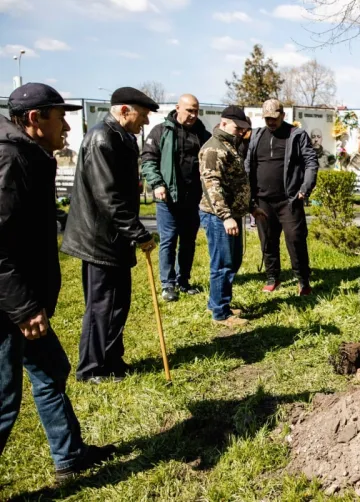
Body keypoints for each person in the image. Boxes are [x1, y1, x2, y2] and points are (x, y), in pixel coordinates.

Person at [0, 83, 117, 483]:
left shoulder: (30, 155)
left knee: (51, 369)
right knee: (3, 400)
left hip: (25, 300)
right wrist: (22, 307)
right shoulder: (10, 159)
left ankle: (69, 456)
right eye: (58, 115)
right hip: (9, 306)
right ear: (35, 119)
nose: (66, 124)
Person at [61, 87, 157, 383]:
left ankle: (112, 361)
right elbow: (108, 197)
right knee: (101, 305)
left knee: (118, 302)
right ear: (124, 110)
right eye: (142, 116)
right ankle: (91, 369)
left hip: (114, 238)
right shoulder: (102, 137)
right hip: (99, 239)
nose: (145, 124)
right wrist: (139, 233)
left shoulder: (121, 138)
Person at [142, 94, 211, 302]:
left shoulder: (202, 134)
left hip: (193, 199)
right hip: (168, 198)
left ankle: (183, 281)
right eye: (189, 110)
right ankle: (167, 284)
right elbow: (148, 159)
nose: (193, 115)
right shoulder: (161, 131)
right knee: (169, 240)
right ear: (177, 108)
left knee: (188, 241)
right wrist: (157, 183)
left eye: (196, 110)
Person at [246, 99, 319, 294]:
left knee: (295, 239)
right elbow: (248, 164)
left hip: (289, 200)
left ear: (283, 116)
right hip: (263, 200)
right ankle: (272, 277)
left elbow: (311, 162)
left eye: (274, 118)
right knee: (267, 240)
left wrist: (306, 187)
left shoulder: (296, 135)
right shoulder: (257, 135)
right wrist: (248, 194)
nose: (271, 122)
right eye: (267, 119)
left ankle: (303, 280)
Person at [200, 106, 264, 326]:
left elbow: (237, 184)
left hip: (232, 214)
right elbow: (212, 185)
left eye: (244, 129)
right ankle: (220, 313)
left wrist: (251, 207)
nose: (240, 132)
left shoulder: (229, 145)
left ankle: (217, 302)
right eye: (238, 127)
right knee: (223, 263)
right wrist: (226, 215)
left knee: (232, 261)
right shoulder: (214, 149)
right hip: (219, 217)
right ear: (224, 122)